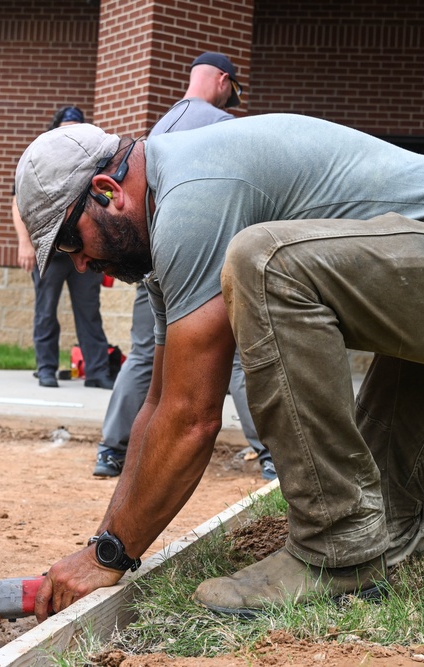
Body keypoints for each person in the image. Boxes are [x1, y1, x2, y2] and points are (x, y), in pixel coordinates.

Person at [13, 113, 424, 621]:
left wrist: (108, 556)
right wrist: (105, 545)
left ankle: (331, 549)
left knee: (263, 263)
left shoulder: (193, 197)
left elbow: (192, 418)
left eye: (72, 241)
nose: (77, 264)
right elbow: (160, 404)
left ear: (106, 191)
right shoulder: (170, 235)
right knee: (382, 521)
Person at [93, 53, 276, 480]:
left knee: (144, 356)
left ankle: (110, 450)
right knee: (232, 359)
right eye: (232, 90)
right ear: (223, 81)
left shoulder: (161, 127)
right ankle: (270, 455)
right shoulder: (223, 124)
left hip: (152, 261)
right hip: (201, 262)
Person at [11, 106, 114, 389]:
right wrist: (25, 243)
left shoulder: (94, 160)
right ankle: (46, 369)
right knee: (46, 312)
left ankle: (98, 373)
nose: (70, 131)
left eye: (76, 126)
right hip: (51, 253)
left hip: (86, 251)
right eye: (66, 126)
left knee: (89, 313)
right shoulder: (39, 159)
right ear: (55, 129)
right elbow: (19, 204)